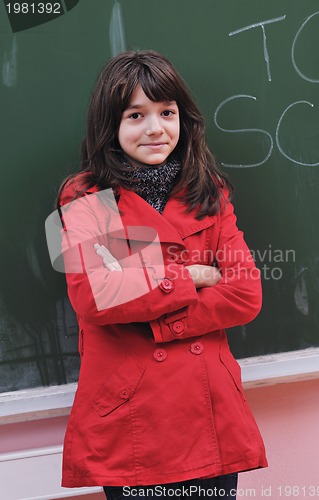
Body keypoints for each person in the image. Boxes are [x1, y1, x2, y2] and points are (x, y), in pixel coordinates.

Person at [56, 50, 267, 499]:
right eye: (136, 115)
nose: (155, 129)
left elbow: (244, 293)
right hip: (134, 418)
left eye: (166, 112)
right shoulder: (90, 198)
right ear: (110, 124)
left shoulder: (209, 192)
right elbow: (99, 296)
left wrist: (152, 311)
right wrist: (193, 276)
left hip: (209, 409)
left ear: (183, 119)